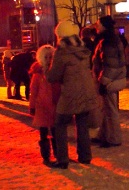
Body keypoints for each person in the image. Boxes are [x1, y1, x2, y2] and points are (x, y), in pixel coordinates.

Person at [47, 21, 99, 167]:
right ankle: (85, 156)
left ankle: (62, 159)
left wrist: (46, 68)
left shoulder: (62, 52)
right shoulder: (82, 50)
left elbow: (53, 77)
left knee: (60, 124)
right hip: (87, 92)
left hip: (70, 94)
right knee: (82, 124)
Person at [92, 16, 127, 148]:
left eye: (98, 24)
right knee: (106, 109)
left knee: (111, 110)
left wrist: (104, 82)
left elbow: (111, 65)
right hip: (112, 78)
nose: (97, 26)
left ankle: (113, 138)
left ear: (104, 26)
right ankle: (104, 135)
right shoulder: (111, 39)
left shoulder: (108, 41)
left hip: (109, 81)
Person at [29, 45, 58, 165]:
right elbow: (33, 91)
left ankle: (58, 154)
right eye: (46, 57)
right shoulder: (37, 74)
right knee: (43, 134)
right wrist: (32, 106)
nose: (48, 59)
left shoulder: (56, 72)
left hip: (55, 106)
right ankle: (46, 156)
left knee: (56, 133)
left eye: (51, 57)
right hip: (42, 108)